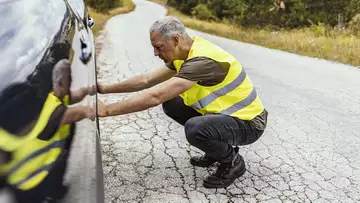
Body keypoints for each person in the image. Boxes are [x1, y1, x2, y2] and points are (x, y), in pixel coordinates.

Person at [96, 16, 268, 188]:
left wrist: (107, 110)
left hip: (250, 123)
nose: (155, 53)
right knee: (172, 103)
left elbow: (155, 96)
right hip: (227, 117)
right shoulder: (185, 52)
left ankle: (232, 161)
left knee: (195, 128)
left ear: (175, 40)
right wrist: (105, 88)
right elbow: (146, 80)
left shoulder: (202, 60)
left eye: (158, 47)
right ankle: (215, 150)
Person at [0, 59, 92, 202]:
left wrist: (91, 90)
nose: (72, 81)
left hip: (37, 177)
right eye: (69, 79)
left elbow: (76, 95)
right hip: (28, 185)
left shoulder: (51, 99)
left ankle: (55, 193)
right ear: (59, 83)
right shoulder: (50, 107)